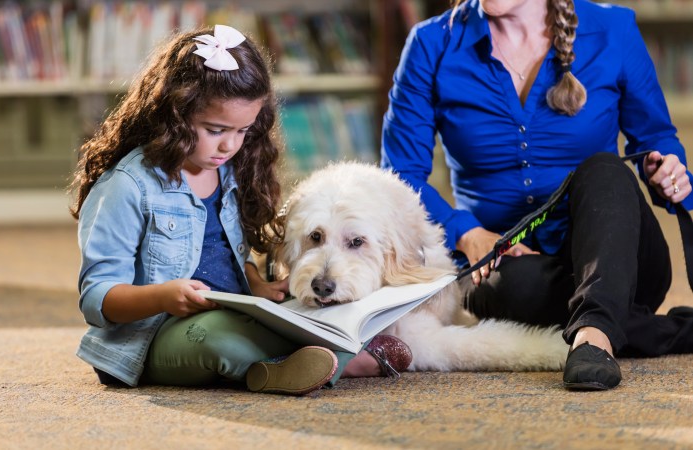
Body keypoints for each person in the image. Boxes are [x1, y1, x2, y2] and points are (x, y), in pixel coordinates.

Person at [69, 25, 411, 395]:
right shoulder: (127, 185)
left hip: (234, 312)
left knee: (301, 309)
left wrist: (257, 286)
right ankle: (333, 359)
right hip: (152, 336)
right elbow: (96, 297)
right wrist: (164, 296)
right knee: (219, 340)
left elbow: (227, 256)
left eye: (243, 131)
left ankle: (290, 364)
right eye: (215, 130)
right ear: (174, 114)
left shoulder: (227, 171)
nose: (229, 145)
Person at [381, 0, 693, 391]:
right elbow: (400, 177)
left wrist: (668, 171)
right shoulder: (430, 44)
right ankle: (660, 330)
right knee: (507, 289)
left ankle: (594, 335)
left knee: (603, 168)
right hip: (505, 267)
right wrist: (468, 233)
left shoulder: (613, 28)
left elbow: (658, 140)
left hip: (618, 255)